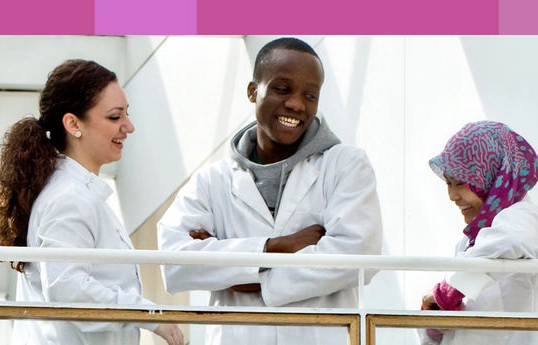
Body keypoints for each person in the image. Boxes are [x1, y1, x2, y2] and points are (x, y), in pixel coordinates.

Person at [157, 37, 382, 345]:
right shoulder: (212, 181)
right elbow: (176, 264)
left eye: (310, 94)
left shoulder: (346, 165)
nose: (297, 104)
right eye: (282, 89)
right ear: (253, 91)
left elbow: (357, 259)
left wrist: (238, 274)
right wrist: (279, 247)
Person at [0, 59, 184, 345]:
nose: (128, 127)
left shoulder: (72, 192)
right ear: (73, 124)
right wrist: (148, 315)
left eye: (127, 115)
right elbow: (67, 288)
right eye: (115, 117)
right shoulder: (69, 198)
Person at [419, 121, 538, 345]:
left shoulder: (526, 217)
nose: (452, 195)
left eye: (461, 183)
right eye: (448, 183)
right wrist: (437, 324)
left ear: (490, 177)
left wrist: (446, 293)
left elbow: (512, 241)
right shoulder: (471, 241)